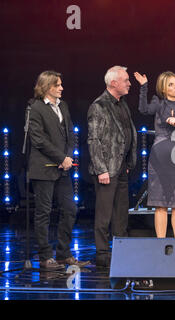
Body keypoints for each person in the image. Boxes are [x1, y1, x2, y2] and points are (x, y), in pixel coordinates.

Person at [28, 70, 89, 269]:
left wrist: (68, 156)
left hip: (63, 168)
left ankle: (63, 253)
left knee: (70, 209)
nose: (62, 88)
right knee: (44, 212)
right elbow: (38, 139)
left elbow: (70, 133)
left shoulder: (63, 105)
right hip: (44, 168)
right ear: (47, 87)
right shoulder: (35, 108)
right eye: (58, 85)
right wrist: (60, 157)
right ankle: (46, 257)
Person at [134, 71, 175, 238]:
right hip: (159, 159)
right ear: (163, 88)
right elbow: (143, 109)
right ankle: (160, 244)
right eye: (170, 84)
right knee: (160, 205)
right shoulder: (159, 104)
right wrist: (143, 87)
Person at [87, 66, 137, 267]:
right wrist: (102, 169)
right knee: (104, 214)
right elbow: (94, 140)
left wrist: (127, 162)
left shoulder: (122, 103)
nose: (129, 83)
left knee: (121, 213)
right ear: (113, 83)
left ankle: (121, 250)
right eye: (125, 80)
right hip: (106, 169)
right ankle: (102, 254)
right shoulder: (99, 106)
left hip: (121, 166)